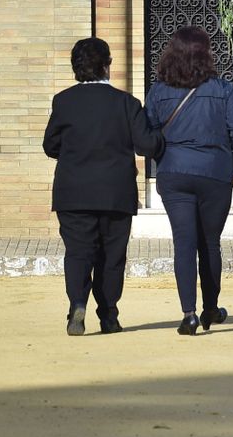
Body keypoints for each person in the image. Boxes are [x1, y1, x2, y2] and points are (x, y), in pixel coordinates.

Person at [43, 38, 164, 336]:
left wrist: (74, 153)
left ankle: (77, 304)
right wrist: (162, 134)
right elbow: (146, 145)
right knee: (112, 256)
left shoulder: (64, 101)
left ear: (76, 67)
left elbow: (50, 145)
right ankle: (109, 314)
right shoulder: (127, 103)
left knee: (78, 252)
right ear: (107, 66)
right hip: (115, 191)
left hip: (73, 191)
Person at [145, 26, 233, 336]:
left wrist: (164, 155)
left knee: (184, 243)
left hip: (174, 173)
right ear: (206, 54)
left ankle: (188, 314)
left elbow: (148, 132)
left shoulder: (158, 90)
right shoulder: (222, 89)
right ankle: (210, 309)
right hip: (215, 172)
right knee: (210, 243)